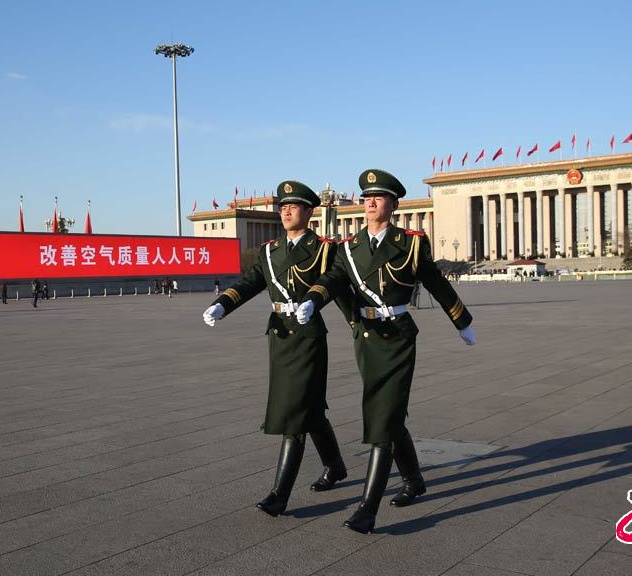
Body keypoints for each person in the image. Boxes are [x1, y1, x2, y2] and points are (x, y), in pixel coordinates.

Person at [296, 169, 476, 534]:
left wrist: (462, 321)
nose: (370, 203)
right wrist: (314, 300)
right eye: (366, 198)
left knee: (381, 419)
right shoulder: (348, 247)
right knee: (389, 415)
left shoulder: (410, 243)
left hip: (396, 336)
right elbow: (332, 280)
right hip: (367, 339)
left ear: (393, 204)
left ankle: (367, 508)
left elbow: (436, 283)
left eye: (378, 198)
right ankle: (414, 479)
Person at [202, 180, 356, 517]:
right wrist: (222, 306)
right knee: (310, 410)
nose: (285, 211)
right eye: (282, 206)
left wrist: (352, 322)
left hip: (308, 337)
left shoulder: (325, 249)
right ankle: (336, 467)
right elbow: (251, 282)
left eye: (294, 206)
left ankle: (279, 494)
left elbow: (338, 284)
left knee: (294, 415)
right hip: (281, 337)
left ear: (309, 212)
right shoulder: (270, 251)